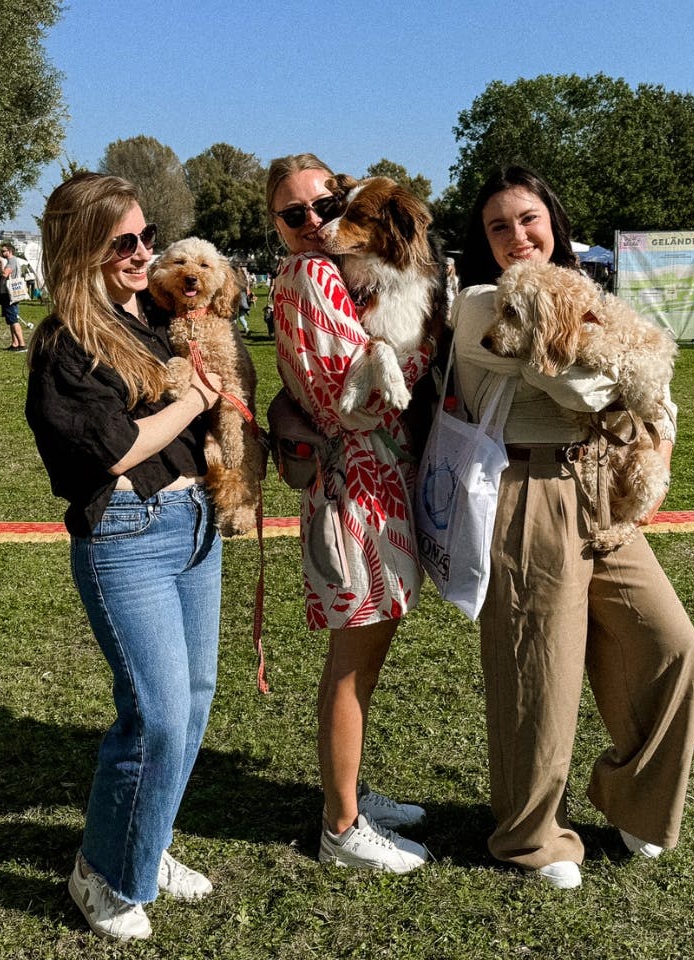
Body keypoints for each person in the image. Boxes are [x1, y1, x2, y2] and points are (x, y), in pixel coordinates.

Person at [450, 166, 694, 891]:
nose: (516, 236)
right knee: (539, 670)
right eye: (498, 226)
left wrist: (659, 430)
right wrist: (630, 375)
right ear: (483, 240)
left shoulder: (580, 296)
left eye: (528, 219)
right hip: (527, 489)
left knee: (667, 643)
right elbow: (577, 383)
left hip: (604, 484)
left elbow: (659, 397)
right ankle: (530, 838)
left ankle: (635, 800)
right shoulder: (478, 304)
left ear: (553, 221)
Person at [24, 173, 225, 942]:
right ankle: (104, 875)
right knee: (157, 717)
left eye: (147, 238)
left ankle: (148, 844)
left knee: (194, 702)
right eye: (124, 244)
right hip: (127, 537)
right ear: (82, 250)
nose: (144, 254)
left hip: (195, 525)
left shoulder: (153, 315)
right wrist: (195, 401)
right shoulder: (64, 342)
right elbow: (112, 450)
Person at [267, 153, 433, 873]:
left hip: (377, 490)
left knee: (367, 662)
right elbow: (361, 399)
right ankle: (341, 827)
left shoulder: (339, 276)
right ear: (275, 226)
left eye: (326, 205)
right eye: (295, 214)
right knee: (350, 664)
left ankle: (352, 791)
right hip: (352, 493)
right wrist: (422, 359)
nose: (316, 224)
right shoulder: (307, 276)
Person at [0, 250, 27, 351]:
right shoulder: (12, 261)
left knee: (13, 319)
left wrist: (1, 263)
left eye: (4, 251)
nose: (1, 252)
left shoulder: (12, 261)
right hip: (11, 294)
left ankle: (22, 344)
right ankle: (15, 343)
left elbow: (5, 274)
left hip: (10, 294)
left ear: (10, 251)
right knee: (10, 319)